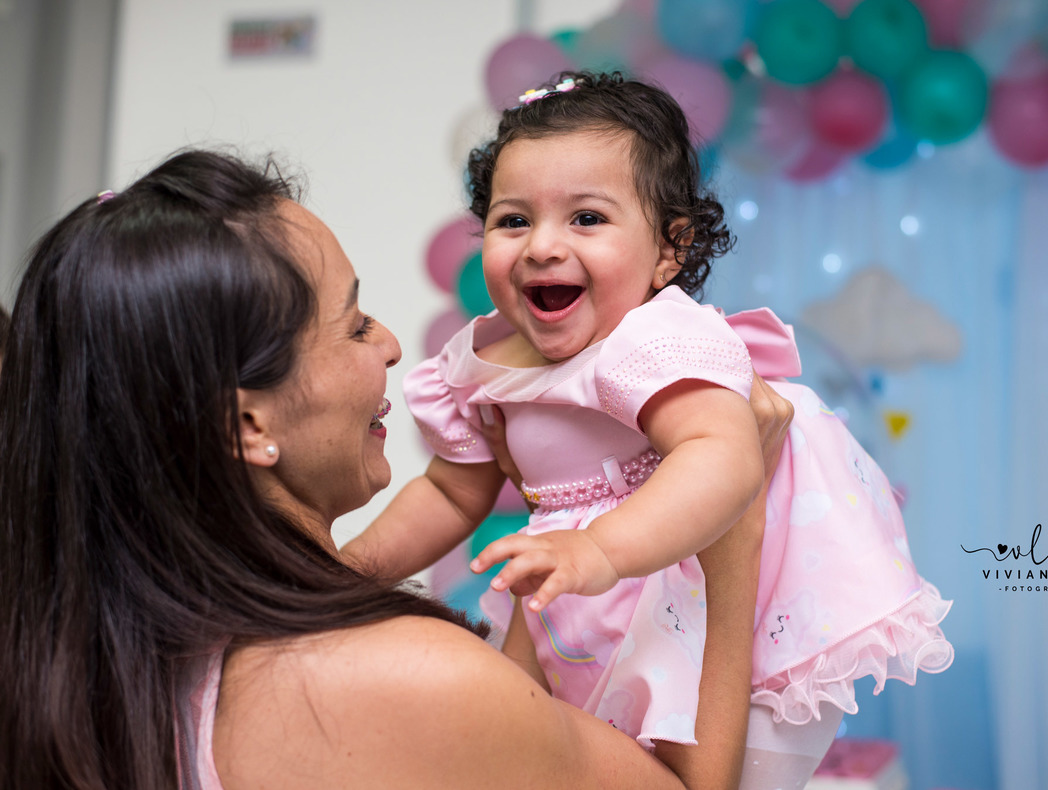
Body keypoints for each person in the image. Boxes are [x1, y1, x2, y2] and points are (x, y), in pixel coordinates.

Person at [0, 149, 790, 790]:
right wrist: (736, 526)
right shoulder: (406, 681)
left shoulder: (77, 674)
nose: (390, 346)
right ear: (248, 422)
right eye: (351, 325)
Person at [347, 71, 954, 788]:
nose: (542, 245)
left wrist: (600, 548)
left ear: (669, 250)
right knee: (509, 742)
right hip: (570, 587)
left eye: (586, 219)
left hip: (688, 574)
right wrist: (349, 575)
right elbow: (451, 493)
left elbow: (723, 459)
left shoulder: (656, 340)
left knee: (705, 756)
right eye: (513, 220)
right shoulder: (482, 362)